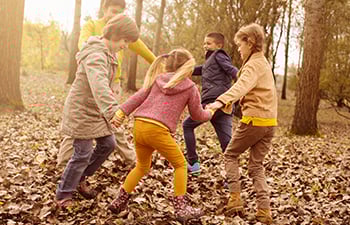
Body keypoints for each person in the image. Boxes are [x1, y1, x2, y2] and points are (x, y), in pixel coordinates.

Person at [107, 49, 213, 223]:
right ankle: (181, 208)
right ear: (187, 68)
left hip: (139, 127)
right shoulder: (190, 87)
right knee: (180, 165)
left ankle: (119, 200)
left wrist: (120, 114)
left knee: (141, 166)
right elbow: (197, 115)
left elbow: (137, 98)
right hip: (158, 130)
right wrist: (209, 112)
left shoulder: (157, 80)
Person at [56, 0, 156, 169]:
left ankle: (131, 159)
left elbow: (143, 49)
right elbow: (84, 44)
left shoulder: (123, 32)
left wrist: (159, 65)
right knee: (78, 126)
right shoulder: (93, 25)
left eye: (119, 13)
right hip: (92, 82)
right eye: (113, 11)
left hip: (113, 84)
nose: (115, 15)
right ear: (104, 9)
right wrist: (100, 49)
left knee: (113, 124)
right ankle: (64, 163)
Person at [55, 14, 140, 209]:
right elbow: (99, 85)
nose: (125, 46)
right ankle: (63, 194)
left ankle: (80, 177)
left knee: (108, 144)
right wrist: (113, 111)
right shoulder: (95, 54)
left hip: (95, 111)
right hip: (82, 111)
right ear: (116, 34)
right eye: (125, 41)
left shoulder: (108, 53)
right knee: (82, 152)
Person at [206, 23, 277, 224]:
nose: (238, 48)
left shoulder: (254, 64)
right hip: (269, 122)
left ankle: (235, 199)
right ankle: (264, 211)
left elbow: (241, 86)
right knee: (256, 165)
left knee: (230, 154)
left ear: (251, 42)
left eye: (240, 44)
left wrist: (219, 102)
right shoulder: (263, 63)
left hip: (254, 121)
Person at [183, 32, 238, 175]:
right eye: (204, 43)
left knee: (187, 125)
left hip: (213, 102)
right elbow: (197, 70)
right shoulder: (209, 63)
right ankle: (232, 178)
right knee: (227, 144)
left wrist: (244, 80)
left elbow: (232, 70)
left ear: (219, 45)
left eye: (208, 43)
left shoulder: (219, 55)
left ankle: (194, 163)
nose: (205, 46)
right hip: (223, 106)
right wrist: (179, 69)